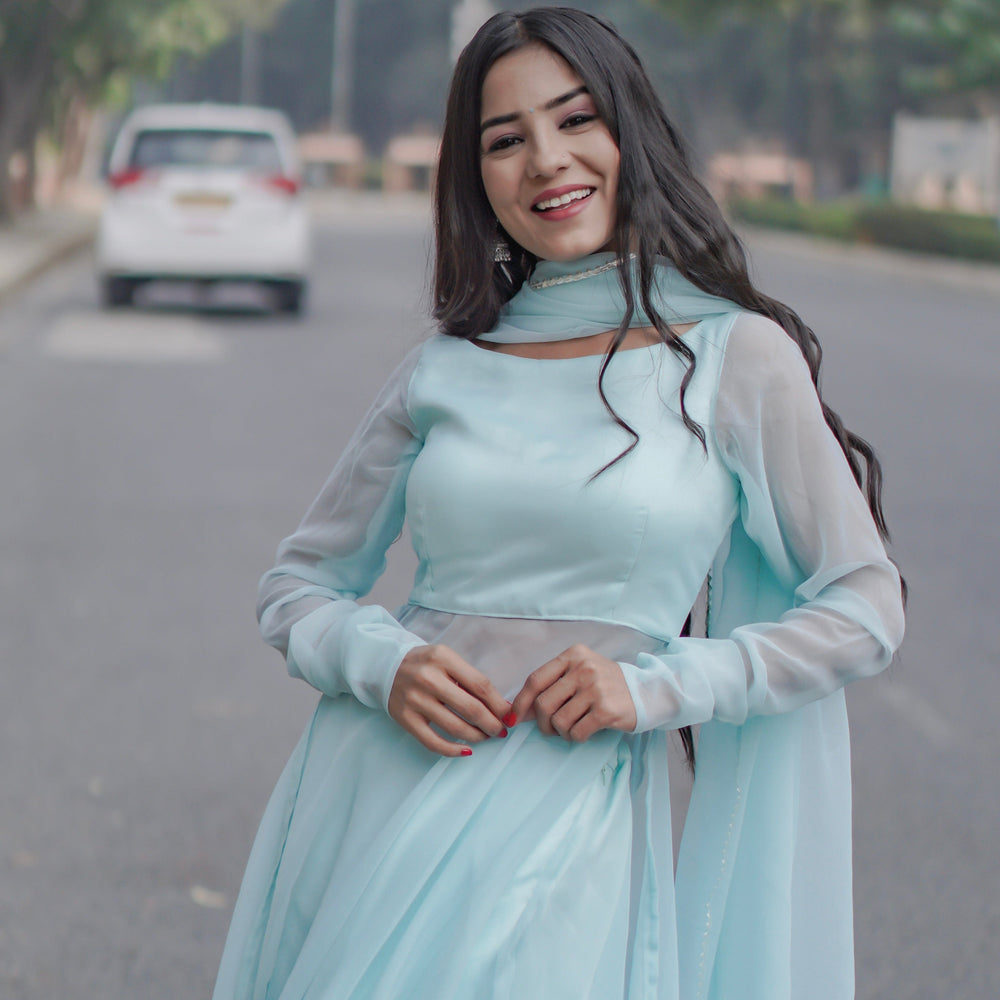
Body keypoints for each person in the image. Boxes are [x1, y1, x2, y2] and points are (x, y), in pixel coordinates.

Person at [211, 8, 905, 1000]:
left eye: (575, 120)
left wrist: (663, 685)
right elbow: (299, 583)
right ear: (474, 176)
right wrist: (382, 661)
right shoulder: (447, 368)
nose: (545, 160)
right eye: (504, 139)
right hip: (372, 800)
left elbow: (864, 605)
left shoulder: (730, 356)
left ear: (630, 135)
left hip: (567, 839)